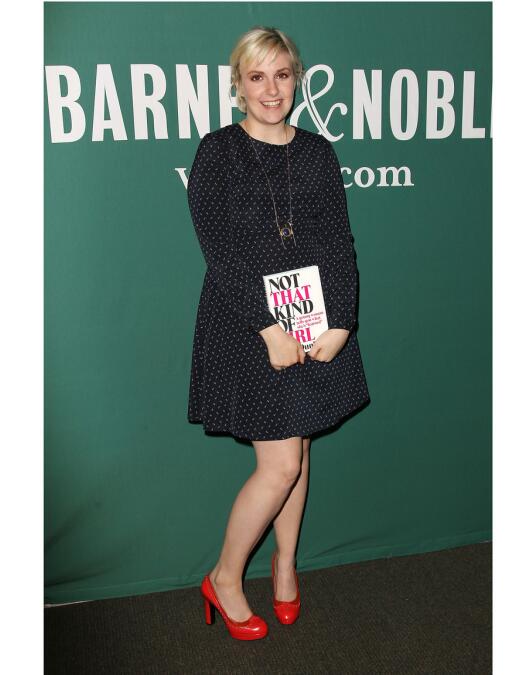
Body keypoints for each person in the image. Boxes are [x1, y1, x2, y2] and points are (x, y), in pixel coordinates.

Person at [187, 26, 370, 640]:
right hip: (247, 324)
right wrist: (266, 326)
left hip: (312, 317)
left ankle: (286, 565)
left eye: (283, 75)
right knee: (281, 462)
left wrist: (342, 318)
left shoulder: (318, 152)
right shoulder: (216, 151)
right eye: (257, 77)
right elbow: (221, 252)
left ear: (297, 78)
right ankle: (225, 577)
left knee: (300, 448)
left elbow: (339, 244)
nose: (272, 89)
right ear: (237, 85)